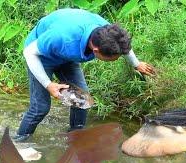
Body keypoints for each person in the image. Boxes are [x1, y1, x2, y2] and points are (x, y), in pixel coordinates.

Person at [13, 8, 154, 142]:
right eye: (113, 59)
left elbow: (123, 46)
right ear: (96, 50)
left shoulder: (108, 31)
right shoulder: (62, 37)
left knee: (82, 100)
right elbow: (29, 53)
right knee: (40, 108)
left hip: (67, 58)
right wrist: (48, 85)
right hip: (40, 57)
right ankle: (20, 140)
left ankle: (75, 136)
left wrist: (136, 64)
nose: (116, 59)